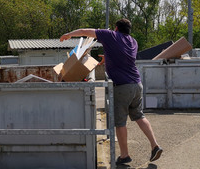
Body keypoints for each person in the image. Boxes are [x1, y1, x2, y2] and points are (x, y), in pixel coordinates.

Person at [60, 18, 163, 165]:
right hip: (137, 84)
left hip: (122, 86)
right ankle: (155, 145)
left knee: (120, 122)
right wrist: (106, 59)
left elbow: (85, 32)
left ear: (115, 28)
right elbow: (123, 59)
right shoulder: (133, 41)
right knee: (139, 116)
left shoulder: (111, 35)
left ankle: (125, 155)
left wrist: (68, 34)